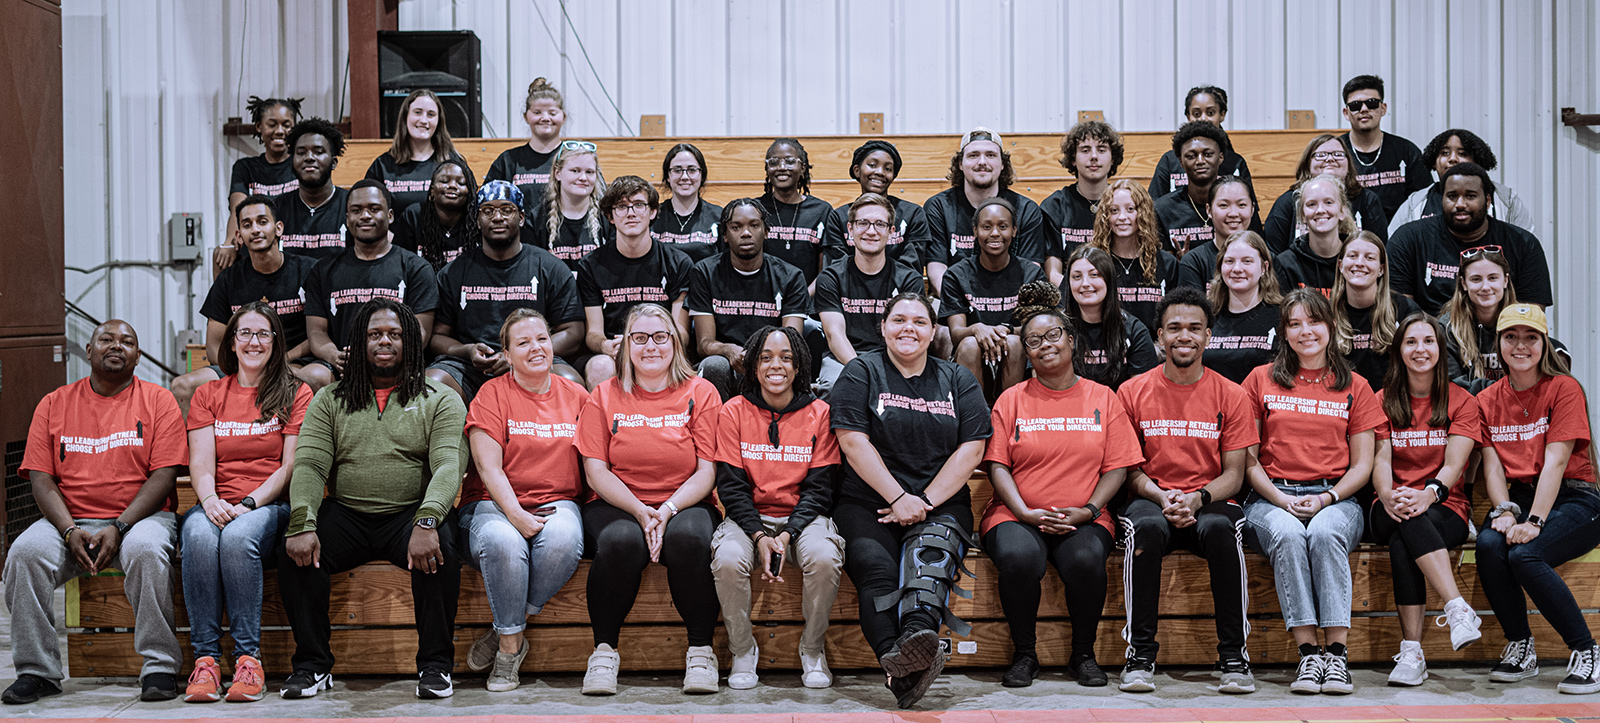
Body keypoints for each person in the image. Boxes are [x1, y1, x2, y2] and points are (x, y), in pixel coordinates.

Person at [277, 299, 467, 700]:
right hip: (348, 513)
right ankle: (312, 666)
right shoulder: (330, 399)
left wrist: (428, 520)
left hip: (409, 515)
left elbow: (449, 465)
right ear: (358, 343)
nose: (385, 342)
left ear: (410, 342)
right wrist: (303, 521)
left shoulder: (440, 398)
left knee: (443, 548)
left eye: (395, 335)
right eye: (375, 334)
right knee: (293, 549)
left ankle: (435, 666)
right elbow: (310, 465)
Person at [2, 320, 186, 705]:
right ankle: (37, 670)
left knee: (147, 551)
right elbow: (41, 479)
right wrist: (69, 531)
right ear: (88, 350)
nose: (116, 345)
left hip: (140, 520)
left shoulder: (158, 400)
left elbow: (164, 476)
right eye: (106, 339)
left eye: (127, 341)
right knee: (24, 554)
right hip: (70, 521)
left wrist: (120, 525)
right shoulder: (54, 403)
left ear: (138, 355)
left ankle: (159, 666)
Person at [830, 292, 991, 709]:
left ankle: (914, 647)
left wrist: (922, 501)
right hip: (867, 501)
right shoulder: (860, 372)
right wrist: (898, 497)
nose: (908, 329)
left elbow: (973, 448)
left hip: (939, 502)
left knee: (928, 569)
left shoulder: (957, 378)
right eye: (899, 320)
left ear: (934, 331)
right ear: (882, 327)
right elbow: (852, 441)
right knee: (876, 572)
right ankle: (899, 658)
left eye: (919, 322)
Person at [983, 283, 1142, 689]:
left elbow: (1118, 467)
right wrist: (1022, 511)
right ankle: (1025, 655)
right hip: (1016, 514)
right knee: (1019, 559)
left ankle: (1083, 655)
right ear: (1027, 352)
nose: (1045, 345)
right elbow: (998, 465)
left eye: (1053, 335)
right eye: (1033, 341)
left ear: (1071, 340)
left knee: (1086, 560)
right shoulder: (1011, 399)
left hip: (1085, 514)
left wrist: (1089, 510)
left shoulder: (1104, 397)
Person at [1115, 286, 1259, 694]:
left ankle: (1234, 657)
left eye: (1195, 328)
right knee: (1143, 530)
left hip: (1210, 499)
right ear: (1158, 336)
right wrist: (1162, 497)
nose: (1184, 335)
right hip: (1150, 498)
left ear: (1208, 336)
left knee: (1219, 530)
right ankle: (1140, 657)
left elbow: (1235, 473)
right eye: (1174, 327)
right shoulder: (1132, 391)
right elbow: (1129, 468)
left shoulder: (1230, 394)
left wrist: (1197, 498)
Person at [575, 304, 724, 696]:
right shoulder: (604, 395)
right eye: (639, 338)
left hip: (686, 501)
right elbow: (596, 471)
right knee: (621, 541)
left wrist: (668, 510)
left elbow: (707, 471)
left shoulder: (701, 392)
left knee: (689, 539)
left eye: (660, 337)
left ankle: (701, 651)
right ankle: (604, 652)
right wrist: (641, 511)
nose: (651, 346)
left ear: (675, 342)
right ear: (625, 346)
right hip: (617, 502)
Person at [1242, 289, 1383, 696]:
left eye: (1314, 322)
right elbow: (1249, 461)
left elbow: (1362, 465)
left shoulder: (1355, 385)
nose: (1306, 331)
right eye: (1295, 323)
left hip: (1336, 496)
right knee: (1287, 534)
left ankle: (1336, 655)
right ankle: (1308, 655)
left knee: (1323, 533)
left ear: (1331, 328)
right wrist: (1282, 500)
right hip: (1272, 496)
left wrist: (1327, 499)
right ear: (1283, 333)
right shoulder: (1259, 380)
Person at [179, 303, 312, 703]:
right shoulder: (208, 394)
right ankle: (205, 661)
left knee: (237, 538)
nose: (254, 342)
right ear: (232, 343)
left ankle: (248, 660)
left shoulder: (295, 391)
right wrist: (210, 500)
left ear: (276, 342)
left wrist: (250, 503)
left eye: (263, 334)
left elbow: (289, 466)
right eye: (245, 334)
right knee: (199, 537)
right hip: (215, 500)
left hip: (268, 505)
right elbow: (200, 462)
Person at [458, 309, 588, 692]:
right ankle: (510, 651)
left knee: (564, 539)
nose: (536, 348)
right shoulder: (491, 395)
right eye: (523, 342)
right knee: (504, 541)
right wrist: (515, 514)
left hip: (557, 499)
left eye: (542, 339)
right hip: (494, 502)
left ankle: (504, 630)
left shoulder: (576, 395)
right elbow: (488, 468)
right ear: (507, 353)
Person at [1474, 303, 1600, 695]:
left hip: (1576, 498)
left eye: (1531, 337)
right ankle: (1521, 647)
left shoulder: (1564, 388)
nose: (1521, 345)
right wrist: (1506, 511)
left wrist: (1535, 522)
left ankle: (1588, 651)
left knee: (1526, 554)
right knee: (1489, 545)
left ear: (1544, 344)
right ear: (1499, 344)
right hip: (1523, 498)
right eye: (1511, 337)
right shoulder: (1487, 398)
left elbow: (1556, 461)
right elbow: (1492, 467)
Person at [710, 326, 844, 690]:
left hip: (802, 518)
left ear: (799, 366)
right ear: (753, 365)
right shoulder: (733, 411)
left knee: (823, 557)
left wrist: (786, 534)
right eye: (766, 357)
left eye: (786, 358)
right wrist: (758, 534)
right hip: (748, 517)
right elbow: (732, 487)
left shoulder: (820, 413)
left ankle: (813, 649)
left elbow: (819, 491)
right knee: (726, 559)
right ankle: (742, 650)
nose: (776, 366)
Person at [1371, 313, 1486, 687]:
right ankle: (1457, 608)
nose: (1420, 349)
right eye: (1411, 342)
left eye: (1428, 341)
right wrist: (1388, 495)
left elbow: (1455, 463)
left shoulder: (1462, 400)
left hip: (1443, 506)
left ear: (1440, 349)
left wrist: (1428, 493)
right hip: (1388, 504)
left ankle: (1412, 654)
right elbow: (1381, 457)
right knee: (1406, 520)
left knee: (1407, 539)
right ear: (1398, 350)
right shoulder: (1382, 400)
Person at [429, 180, 585, 401]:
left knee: (571, 383)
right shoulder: (453, 272)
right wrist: (468, 350)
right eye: (488, 211)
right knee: (433, 384)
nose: (497, 217)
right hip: (471, 367)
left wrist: (523, 354)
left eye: (507, 210)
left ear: (521, 218)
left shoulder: (550, 267)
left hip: (534, 360)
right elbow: (437, 336)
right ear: (477, 219)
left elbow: (573, 332)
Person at [172, 194, 325, 416]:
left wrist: (282, 360)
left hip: (293, 362)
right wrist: (246, 367)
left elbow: (319, 334)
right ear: (239, 236)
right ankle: (200, 451)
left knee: (314, 377)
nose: (255, 229)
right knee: (182, 386)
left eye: (262, 222)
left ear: (278, 228)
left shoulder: (310, 271)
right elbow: (214, 346)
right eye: (247, 224)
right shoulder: (228, 280)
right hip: (242, 366)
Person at [303, 180, 439, 379]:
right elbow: (316, 332)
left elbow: (421, 333)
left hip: (397, 364)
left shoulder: (416, 268)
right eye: (356, 210)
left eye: (374, 209)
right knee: (311, 376)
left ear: (390, 216)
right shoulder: (323, 270)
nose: (365, 216)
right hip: (343, 365)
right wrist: (335, 356)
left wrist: (382, 356)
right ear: (347, 218)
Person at [1387, 163, 1552, 315]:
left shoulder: (1523, 244)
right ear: (1441, 199)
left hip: (1501, 338)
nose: (1460, 204)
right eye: (1452, 196)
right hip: (1431, 339)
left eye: (1470, 196)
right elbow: (1401, 312)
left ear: (1487, 201)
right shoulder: (1409, 239)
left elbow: (1532, 315)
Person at [578, 175, 694, 389]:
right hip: (615, 350)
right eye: (621, 207)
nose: (630, 213)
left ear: (652, 212)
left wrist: (649, 344)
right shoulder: (590, 265)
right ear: (610, 217)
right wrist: (607, 346)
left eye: (639, 205)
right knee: (599, 366)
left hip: (660, 347)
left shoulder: (678, 262)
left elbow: (682, 333)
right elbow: (593, 333)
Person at [689, 198, 811, 400]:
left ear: (766, 231)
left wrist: (760, 357)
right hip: (726, 363)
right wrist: (728, 350)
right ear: (725, 235)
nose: (746, 233)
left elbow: (792, 341)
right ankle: (713, 430)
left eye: (754, 225)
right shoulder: (705, 272)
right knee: (713, 365)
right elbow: (704, 344)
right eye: (736, 227)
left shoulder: (790, 276)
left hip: (770, 361)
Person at [815, 193, 926, 391]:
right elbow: (835, 335)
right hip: (842, 359)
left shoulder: (909, 279)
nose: (871, 231)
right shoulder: (831, 277)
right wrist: (863, 371)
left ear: (891, 231)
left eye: (880, 224)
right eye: (863, 223)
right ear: (850, 229)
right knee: (836, 386)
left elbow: (907, 336)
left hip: (894, 358)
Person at [924, 127, 1051, 294]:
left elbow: (1030, 271)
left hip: (1012, 303)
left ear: (1003, 164)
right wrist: (962, 305)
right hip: (955, 303)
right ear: (961, 164)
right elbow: (936, 269)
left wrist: (999, 308)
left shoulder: (1026, 209)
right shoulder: (938, 207)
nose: (982, 162)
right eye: (973, 155)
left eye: (990, 155)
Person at [941, 197, 1046, 395]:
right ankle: (975, 419)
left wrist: (1004, 330)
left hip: (1018, 361)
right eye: (986, 227)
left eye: (1003, 226)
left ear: (1014, 230)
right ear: (975, 231)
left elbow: (1037, 330)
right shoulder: (956, 275)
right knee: (970, 344)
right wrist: (977, 329)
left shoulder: (1032, 274)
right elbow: (956, 334)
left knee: (1015, 343)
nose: (995, 233)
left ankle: (1009, 415)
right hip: (971, 359)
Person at [1439, 247, 1568, 393]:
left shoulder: (1524, 318)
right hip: (1470, 408)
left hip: (1520, 405)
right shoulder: (1447, 328)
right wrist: (1506, 392)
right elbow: (1453, 389)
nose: (1485, 287)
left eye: (1493, 278)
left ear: (1505, 280)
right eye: (1476, 279)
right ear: (1464, 284)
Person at [218, 95, 303, 274]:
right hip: (257, 246)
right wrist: (228, 243)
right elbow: (237, 208)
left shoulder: (302, 165)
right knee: (221, 257)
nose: (280, 131)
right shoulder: (245, 167)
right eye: (272, 125)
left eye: (287, 125)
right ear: (259, 127)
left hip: (293, 246)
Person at [1391, 128, 1534, 233]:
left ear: (1477, 160)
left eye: (1462, 153)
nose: (1452, 158)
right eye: (1445, 153)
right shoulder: (1416, 202)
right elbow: (1394, 246)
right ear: (1433, 162)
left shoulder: (1506, 199)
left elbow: (1526, 245)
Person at [1264, 133, 1389, 253]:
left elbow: (1379, 250)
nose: (1330, 159)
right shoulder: (1288, 202)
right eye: (1321, 155)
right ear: (1308, 164)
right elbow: (1274, 255)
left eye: (1338, 154)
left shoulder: (1368, 200)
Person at [1155, 122, 1260, 256]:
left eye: (1208, 154)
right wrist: (1179, 266)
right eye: (1191, 156)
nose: (1200, 161)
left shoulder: (1238, 206)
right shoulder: (1163, 209)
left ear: (1221, 157)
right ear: (1181, 162)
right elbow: (1163, 265)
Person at [822, 140, 928, 272]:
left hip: (899, 290)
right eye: (872, 165)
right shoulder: (839, 217)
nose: (880, 172)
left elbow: (911, 267)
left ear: (893, 176)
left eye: (888, 169)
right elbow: (836, 267)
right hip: (850, 291)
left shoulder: (913, 214)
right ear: (857, 170)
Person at [1331, 232, 1420, 390]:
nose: (1359, 263)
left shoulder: (1403, 308)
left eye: (1369, 258)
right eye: (1352, 256)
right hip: (1343, 403)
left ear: (1381, 269)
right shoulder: (1326, 313)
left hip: (1392, 403)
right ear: (1340, 265)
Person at [1061, 246, 1158, 389]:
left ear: (1109, 279)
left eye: (1094, 275)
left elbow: (1141, 394)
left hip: (1119, 408)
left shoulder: (1134, 330)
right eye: (1077, 277)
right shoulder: (1056, 329)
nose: (1085, 283)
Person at [1087, 179, 1178, 332]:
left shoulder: (1167, 263)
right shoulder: (1092, 262)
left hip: (1156, 350)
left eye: (1130, 209)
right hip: (1107, 349)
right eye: (1114, 210)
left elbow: (1177, 316)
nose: (1122, 217)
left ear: (1143, 214)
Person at [1339, 75, 1431, 221]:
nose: (1364, 109)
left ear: (1383, 108)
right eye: (1356, 105)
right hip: (1347, 238)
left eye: (1372, 103)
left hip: (1400, 237)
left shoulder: (1406, 151)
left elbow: (1424, 201)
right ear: (1346, 113)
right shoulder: (1334, 153)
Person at [1044, 120, 1125, 283]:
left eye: (1102, 150)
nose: (1094, 157)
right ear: (1073, 158)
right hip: (1070, 298)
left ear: (1112, 158)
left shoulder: (1126, 204)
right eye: (1085, 150)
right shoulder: (1055, 206)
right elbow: (1053, 274)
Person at [364, 89, 465, 215]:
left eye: (431, 114)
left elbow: (467, 209)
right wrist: (387, 234)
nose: (424, 120)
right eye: (417, 112)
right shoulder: (382, 166)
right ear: (405, 117)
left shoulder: (453, 163)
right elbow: (369, 210)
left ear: (439, 121)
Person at [1203, 231, 1284, 384]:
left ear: (1264, 267)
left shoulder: (1282, 315)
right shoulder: (1206, 316)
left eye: (1247, 261)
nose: (1237, 269)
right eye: (1229, 261)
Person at [1147, 86, 1255, 199]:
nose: (1203, 119)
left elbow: (1249, 208)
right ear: (1188, 116)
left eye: (1210, 113)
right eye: (1197, 114)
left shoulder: (1236, 162)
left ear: (1222, 115)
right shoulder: (1170, 160)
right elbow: (1155, 206)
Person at [757, 138, 833, 288]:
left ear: (803, 168)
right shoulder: (756, 209)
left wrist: (803, 298)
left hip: (807, 302)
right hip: (763, 302)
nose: (781, 167)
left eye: (790, 161)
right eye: (773, 162)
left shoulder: (822, 211)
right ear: (767, 168)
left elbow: (826, 269)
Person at [273, 117, 351, 261]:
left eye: (318, 152)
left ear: (334, 163)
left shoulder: (351, 205)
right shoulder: (276, 208)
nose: (309, 158)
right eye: (301, 153)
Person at [533, 139, 613, 272]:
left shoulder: (608, 216)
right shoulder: (537, 218)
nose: (583, 177)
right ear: (557, 173)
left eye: (589, 172)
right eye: (575, 171)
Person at [1274, 174, 1358, 295]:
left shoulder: (1356, 260)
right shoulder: (1286, 264)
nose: (1320, 210)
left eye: (1328, 202)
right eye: (1311, 204)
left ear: (1342, 212)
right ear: (1302, 215)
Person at [486, 78, 566, 204]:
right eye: (537, 112)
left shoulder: (575, 158)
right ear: (526, 117)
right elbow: (488, 203)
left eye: (552, 113)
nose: (545, 118)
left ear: (563, 117)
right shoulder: (508, 161)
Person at [392, 159, 480, 271]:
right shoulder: (413, 215)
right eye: (444, 181)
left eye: (461, 183)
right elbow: (400, 263)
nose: (452, 185)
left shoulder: (477, 218)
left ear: (470, 192)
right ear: (432, 191)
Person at [1175, 175, 1260, 291]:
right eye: (1224, 205)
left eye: (1241, 205)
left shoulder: (1268, 259)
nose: (1233, 213)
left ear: (1252, 209)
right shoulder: (1194, 262)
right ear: (1209, 210)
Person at [653, 143, 724, 263]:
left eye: (692, 170)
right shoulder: (653, 217)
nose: (685, 176)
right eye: (677, 170)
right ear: (668, 176)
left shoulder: (718, 216)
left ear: (702, 175)